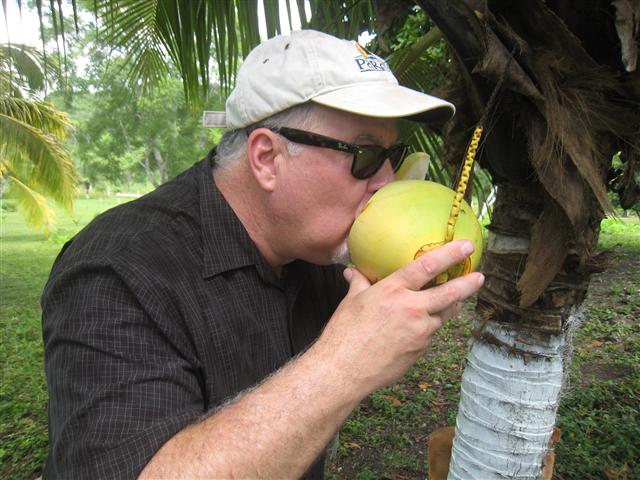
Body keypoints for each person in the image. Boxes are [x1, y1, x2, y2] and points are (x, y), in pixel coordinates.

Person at [41, 29, 484, 479]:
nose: (387, 181)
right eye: (366, 156)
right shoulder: (118, 271)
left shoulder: (321, 252)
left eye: (392, 154)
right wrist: (346, 362)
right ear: (268, 158)